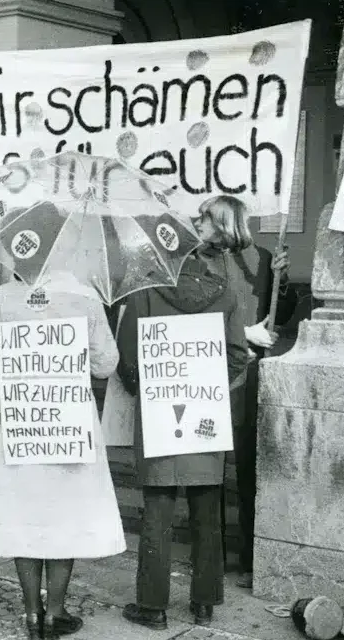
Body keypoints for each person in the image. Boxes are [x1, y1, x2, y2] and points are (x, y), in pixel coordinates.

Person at [118, 194, 250, 629]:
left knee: (156, 512)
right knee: (207, 512)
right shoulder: (225, 290)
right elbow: (237, 354)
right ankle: (205, 602)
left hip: (161, 411)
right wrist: (209, 387)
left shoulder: (147, 284)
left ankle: (153, 607)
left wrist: (143, 388)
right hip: (204, 413)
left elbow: (128, 353)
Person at [0, 270, 126, 639]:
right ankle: (55, 612)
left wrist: (16, 409)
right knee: (64, 514)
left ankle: (32, 612)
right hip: (70, 423)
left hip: (23, 424)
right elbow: (106, 364)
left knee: (23, 515)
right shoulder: (84, 294)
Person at [228, 226, 296, 590]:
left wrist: (280, 281)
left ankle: (249, 559)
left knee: (248, 470)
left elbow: (280, 312)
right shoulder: (198, 261)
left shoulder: (263, 259)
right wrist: (242, 332)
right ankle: (209, 557)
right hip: (211, 372)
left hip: (248, 376)